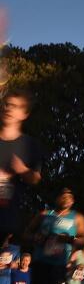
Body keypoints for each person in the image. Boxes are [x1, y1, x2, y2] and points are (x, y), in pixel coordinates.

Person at [0, 91, 41, 246]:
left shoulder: (30, 145)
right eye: (7, 105)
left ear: (25, 114)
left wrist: (21, 169)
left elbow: (36, 179)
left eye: (16, 106)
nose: (9, 109)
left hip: (5, 218)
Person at [28, 188, 84, 284]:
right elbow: (27, 233)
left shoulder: (78, 218)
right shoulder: (44, 214)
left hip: (60, 265)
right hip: (40, 262)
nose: (66, 199)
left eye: (69, 197)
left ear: (72, 201)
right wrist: (36, 237)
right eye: (63, 196)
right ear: (57, 199)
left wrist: (70, 239)